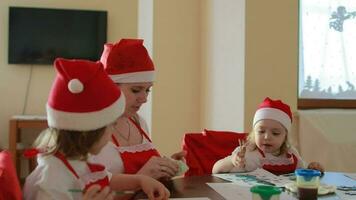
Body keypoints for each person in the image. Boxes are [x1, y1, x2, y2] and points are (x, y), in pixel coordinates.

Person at [23, 58, 170, 200]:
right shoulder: (51, 181)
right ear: (91, 132)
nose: (113, 131)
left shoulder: (77, 162)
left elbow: (108, 179)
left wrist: (140, 181)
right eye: (111, 125)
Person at [91, 39, 185, 180]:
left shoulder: (139, 122)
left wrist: (166, 168)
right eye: (136, 90)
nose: (144, 98)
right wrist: (142, 178)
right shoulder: (89, 131)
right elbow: (87, 190)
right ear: (109, 87)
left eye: (148, 90)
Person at [212, 97, 324, 175]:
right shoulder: (246, 153)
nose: (266, 137)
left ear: (285, 136)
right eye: (261, 131)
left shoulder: (291, 154)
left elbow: (302, 173)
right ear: (253, 133)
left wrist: (312, 168)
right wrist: (233, 161)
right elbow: (215, 170)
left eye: (275, 133)